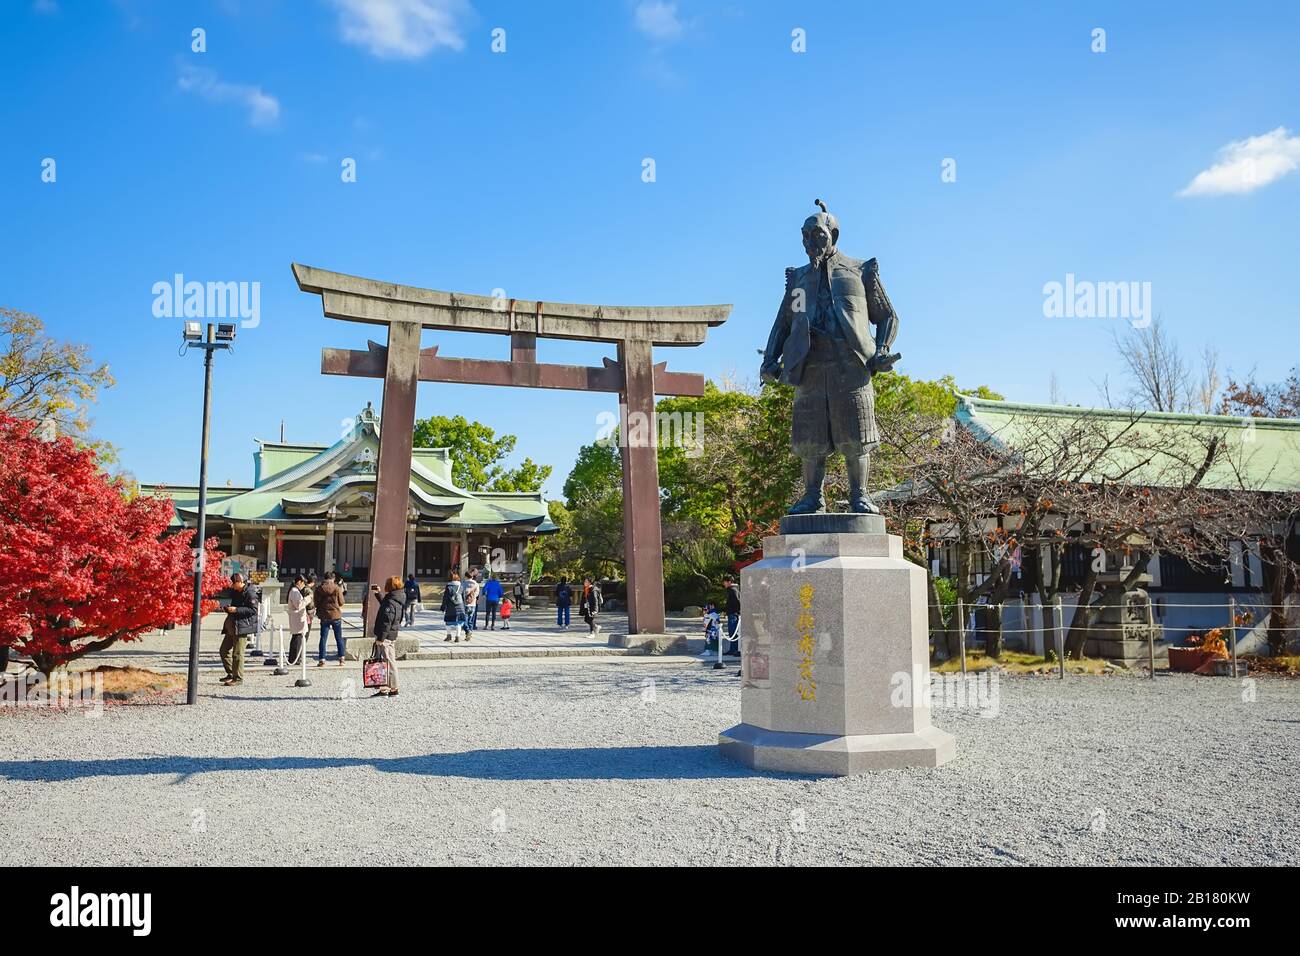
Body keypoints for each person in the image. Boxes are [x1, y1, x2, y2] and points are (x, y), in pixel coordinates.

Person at [219, 573, 259, 685]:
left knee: (237, 654)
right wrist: (228, 609)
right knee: (223, 650)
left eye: (233, 583)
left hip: (242, 626)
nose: (232, 586)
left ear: (239, 582)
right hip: (232, 625)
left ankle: (238, 678)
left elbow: (253, 610)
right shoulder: (236, 591)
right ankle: (231, 673)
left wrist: (236, 610)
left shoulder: (250, 593)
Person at [369, 576, 404, 697]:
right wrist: (378, 594)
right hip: (391, 634)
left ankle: (394, 688)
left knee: (389, 661)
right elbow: (386, 606)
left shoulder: (391, 601)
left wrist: (380, 638)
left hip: (387, 636)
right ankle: (384, 688)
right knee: (383, 662)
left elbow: (386, 621)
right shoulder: (397, 598)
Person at [314, 571, 346, 667]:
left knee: (323, 638)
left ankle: (322, 660)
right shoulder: (337, 588)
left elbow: (316, 602)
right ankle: (341, 659)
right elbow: (341, 602)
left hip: (324, 616)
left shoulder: (319, 589)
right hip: (336, 615)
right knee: (339, 638)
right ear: (333, 578)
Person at [286, 573, 308, 666]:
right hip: (297, 618)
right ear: (299, 582)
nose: (303, 586)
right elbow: (299, 604)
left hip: (296, 618)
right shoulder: (295, 591)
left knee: (296, 638)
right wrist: (308, 599)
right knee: (297, 639)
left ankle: (293, 658)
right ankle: (295, 658)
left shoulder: (294, 590)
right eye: (303, 583)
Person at [441, 571, 467, 643]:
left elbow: (445, 598)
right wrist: (464, 607)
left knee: (448, 622)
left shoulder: (448, 587)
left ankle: (449, 636)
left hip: (450, 607)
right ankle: (457, 637)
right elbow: (463, 597)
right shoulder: (461, 587)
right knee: (458, 622)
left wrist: (443, 607)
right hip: (460, 606)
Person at [723, 574, 741, 656]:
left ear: (729, 582)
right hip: (731, 613)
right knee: (731, 632)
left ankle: (735, 649)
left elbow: (738, 602)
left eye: (725, 582)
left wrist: (737, 611)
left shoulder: (733, 590)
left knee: (733, 632)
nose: (724, 584)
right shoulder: (731, 590)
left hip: (733, 614)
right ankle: (732, 649)